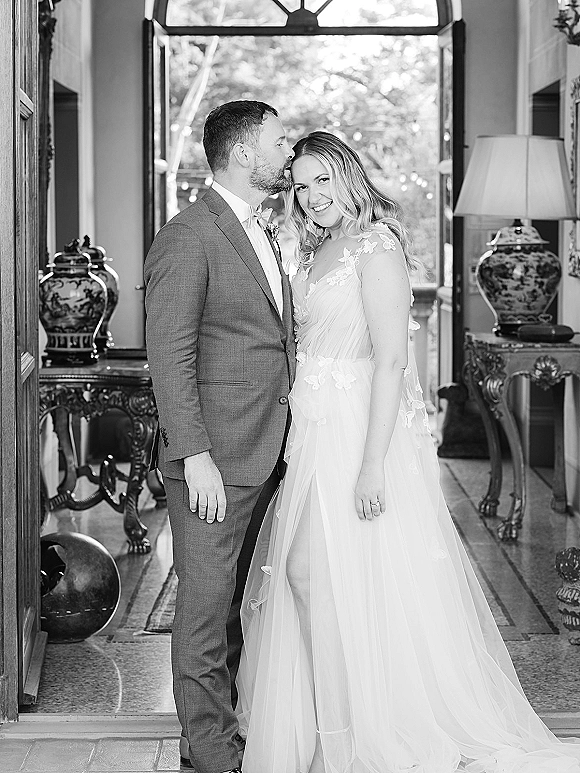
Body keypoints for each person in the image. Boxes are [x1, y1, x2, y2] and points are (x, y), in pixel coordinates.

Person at [236, 131, 580, 773]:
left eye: (323, 181)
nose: (312, 197)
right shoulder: (313, 248)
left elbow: (391, 361)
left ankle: (346, 738)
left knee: (319, 577)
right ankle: (327, 725)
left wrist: (371, 464)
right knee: (311, 580)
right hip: (310, 433)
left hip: (358, 432)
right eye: (302, 184)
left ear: (349, 177)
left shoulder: (377, 248)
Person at [144, 100, 295, 773]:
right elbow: (169, 355)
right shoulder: (188, 235)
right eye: (279, 138)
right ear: (242, 152)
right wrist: (193, 453)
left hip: (270, 451)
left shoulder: (262, 228)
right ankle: (211, 761)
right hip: (214, 459)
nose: (288, 149)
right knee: (203, 617)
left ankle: (213, 744)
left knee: (234, 609)